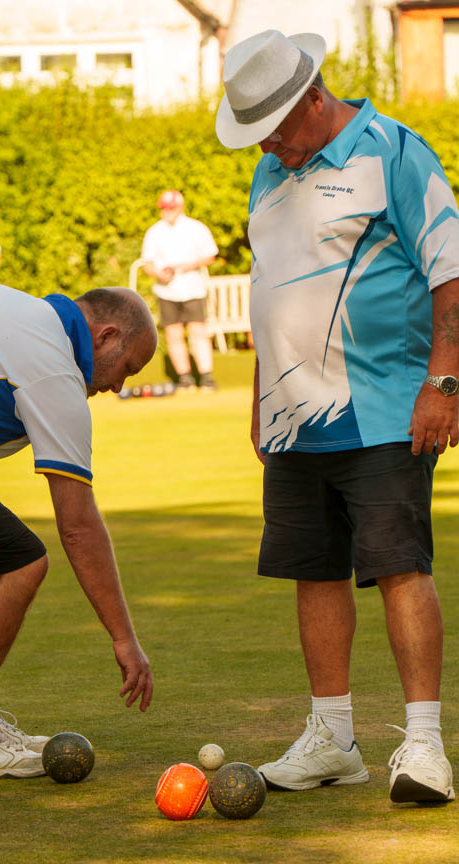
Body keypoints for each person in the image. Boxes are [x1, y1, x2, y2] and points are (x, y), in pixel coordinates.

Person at [216, 29, 459, 804]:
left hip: (383, 408)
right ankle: (333, 739)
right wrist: (261, 396)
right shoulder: (269, 173)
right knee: (312, 571)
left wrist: (444, 384)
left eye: (274, 130)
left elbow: (451, 272)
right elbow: (273, 288)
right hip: (292, 421)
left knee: (398, 567)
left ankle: (425, 745)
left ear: (314, 99)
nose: (268, 147)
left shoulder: (394, 153)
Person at [0, 282, 157, 780]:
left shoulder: (4, 300)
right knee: (22, 561)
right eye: (128, 368)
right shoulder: (56, 369)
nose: (118, 386)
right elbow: (78, 527)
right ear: (106, 335)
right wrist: (123, 639)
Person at [141, 189, 218, 391]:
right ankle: (185, 378)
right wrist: (159, 274)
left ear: (180, 207)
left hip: (193, 289)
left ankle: (206, 377)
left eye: (170, 208)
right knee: (173, 334)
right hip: (166, 291)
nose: (166, 211)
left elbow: (210, 255)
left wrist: (188, 266)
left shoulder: (196, 228)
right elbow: (147, 264)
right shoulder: (154, 232)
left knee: (198, 332)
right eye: (163, 208)